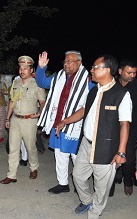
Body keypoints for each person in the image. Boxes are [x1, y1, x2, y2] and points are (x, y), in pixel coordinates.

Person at [55, 55, 132, 219]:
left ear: (107, 70)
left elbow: (125, 124)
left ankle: (95, 213)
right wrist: (65, 121)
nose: (92, 70)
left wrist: (121, 152)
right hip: (86, 144)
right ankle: (87, 200)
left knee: (101, 187)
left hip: (106, 148)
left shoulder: (121, 94)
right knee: (78, 176)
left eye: (95, 67)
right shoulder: (94, 90)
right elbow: (84, 110)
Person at [36, 51, 94, 194]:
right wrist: (41, 68)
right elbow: (42, 82)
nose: (66, 63)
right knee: (60, 154)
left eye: (70, 61)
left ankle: (80, 183)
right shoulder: (59, 76)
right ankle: (63, 183)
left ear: (79, 63)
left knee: (77, 156)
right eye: (65, 61)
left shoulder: (88, 80)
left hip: (76, 126)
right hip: (58, 123)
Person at [0, 55, 46, 184]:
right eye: (20, 67)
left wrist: (39, 113)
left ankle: (34, 167)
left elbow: (43, 102)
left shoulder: (37, 83)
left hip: (29, 120)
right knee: (13, 148)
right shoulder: (16, 82)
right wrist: (7, 118)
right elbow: (11, 102)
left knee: (30, 147)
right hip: (15, 119)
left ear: (31, 70)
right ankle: (11, 175)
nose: (22, 70)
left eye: (25, 68)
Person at [109, 59, 137, 196]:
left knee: (129, 158)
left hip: (131, 128)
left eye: (134, 73)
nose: (132, 75)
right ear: (120, 71)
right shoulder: (112, 84)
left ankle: (128, 182)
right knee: (112, 153)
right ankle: (114, 180)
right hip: (113, 127)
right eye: (129, 72)